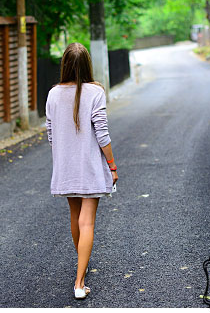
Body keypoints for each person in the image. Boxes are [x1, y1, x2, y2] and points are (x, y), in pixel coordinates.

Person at [45, 43, 119, 300]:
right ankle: (79, 281)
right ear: (88, 64)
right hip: (89, 167)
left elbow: (51, 133)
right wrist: (111, 165)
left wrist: (63, 157)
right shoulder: (96, 92)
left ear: (64, 64)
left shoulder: (53, 94)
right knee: (87, 221)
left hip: (66, 167)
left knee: (75, 218)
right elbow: (102, 132)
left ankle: (82, 271)